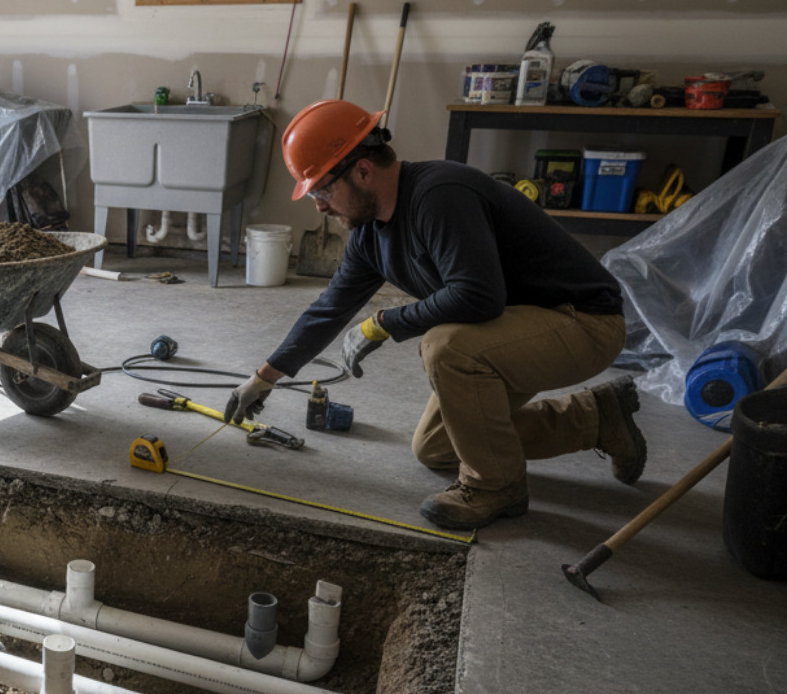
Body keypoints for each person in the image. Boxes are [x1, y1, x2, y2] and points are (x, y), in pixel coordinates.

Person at [224, 99, 646, 530]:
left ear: (363, 171)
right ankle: (595, 419)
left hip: (583, 322)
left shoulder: (440, 194)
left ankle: (495, 486)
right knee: (435, 448)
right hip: (519, 326)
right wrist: (264, 377)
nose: (320, 206)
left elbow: (478, 297)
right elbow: (329, 308)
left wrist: (383, 323)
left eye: (322, 190)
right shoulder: (370, 235)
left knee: (446, 347)